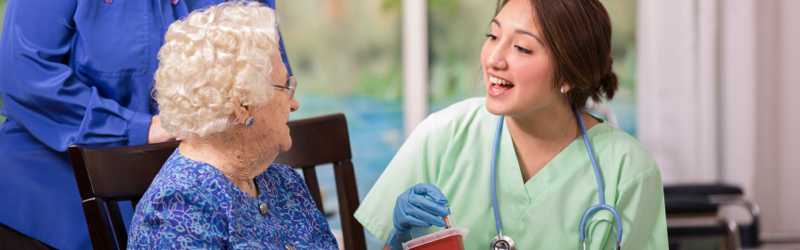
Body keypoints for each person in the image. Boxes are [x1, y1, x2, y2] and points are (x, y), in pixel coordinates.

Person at [354, 0, 669, 249]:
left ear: (570, 74)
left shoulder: (627, 170)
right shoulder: (444, 134)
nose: (494, 58)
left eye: (522, 48)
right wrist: (399, 239)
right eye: (493, 36)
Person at [0, 0, 291, 249]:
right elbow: (24, 75)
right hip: (48, 205)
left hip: (200, 204)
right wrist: (138, 129)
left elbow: (274, 83)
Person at [126, 2, 338, 249]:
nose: (294, 103)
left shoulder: (284, 183)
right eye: (285, 87)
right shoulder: (177, 210)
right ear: (242, 106)